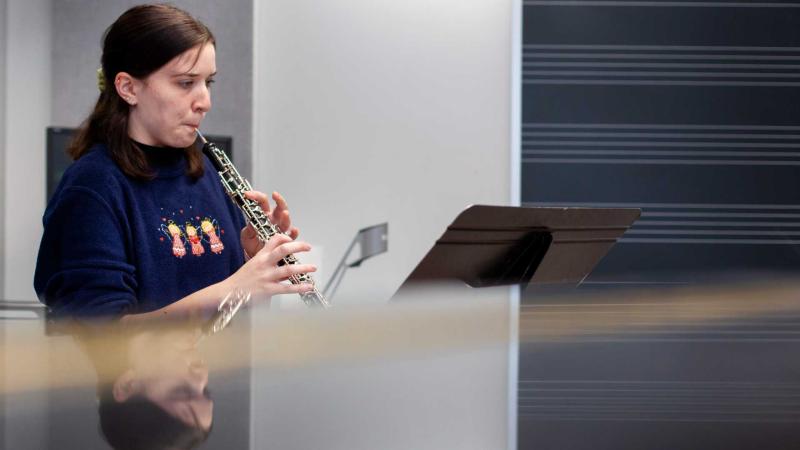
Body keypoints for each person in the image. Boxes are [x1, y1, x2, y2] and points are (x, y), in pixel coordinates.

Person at [34, 4, 316, 323]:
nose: (204, 102)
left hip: (216, 372)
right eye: (185, 83)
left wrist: (250, 259)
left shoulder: (206, 172)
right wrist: (236, 286)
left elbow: (214, 310)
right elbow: (104, 334)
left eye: (208, 83)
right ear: (128, 88)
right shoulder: (92, 188)